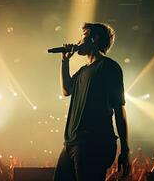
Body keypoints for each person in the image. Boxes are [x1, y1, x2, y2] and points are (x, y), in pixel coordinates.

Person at [53, 22, 130, 181]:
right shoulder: (82, 71)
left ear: (94, 39)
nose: (79, 42)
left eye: (83, 37)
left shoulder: (109, 67)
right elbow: (66, 90)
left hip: (93, 143)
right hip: (71, 143)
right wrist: (65, 61)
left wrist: (125, 150)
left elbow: (119, 108)